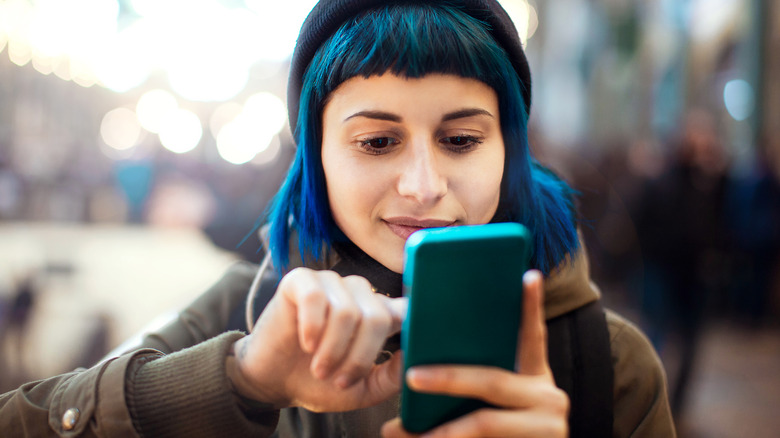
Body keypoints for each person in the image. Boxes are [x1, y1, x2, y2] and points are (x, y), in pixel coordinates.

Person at [0, 1, 675, 437]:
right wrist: (240, 381)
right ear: (316, 160)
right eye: (377, 142)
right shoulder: (247, 314)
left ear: (510, 150)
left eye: (462, 140)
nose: (424, 185)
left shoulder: (607, 361)